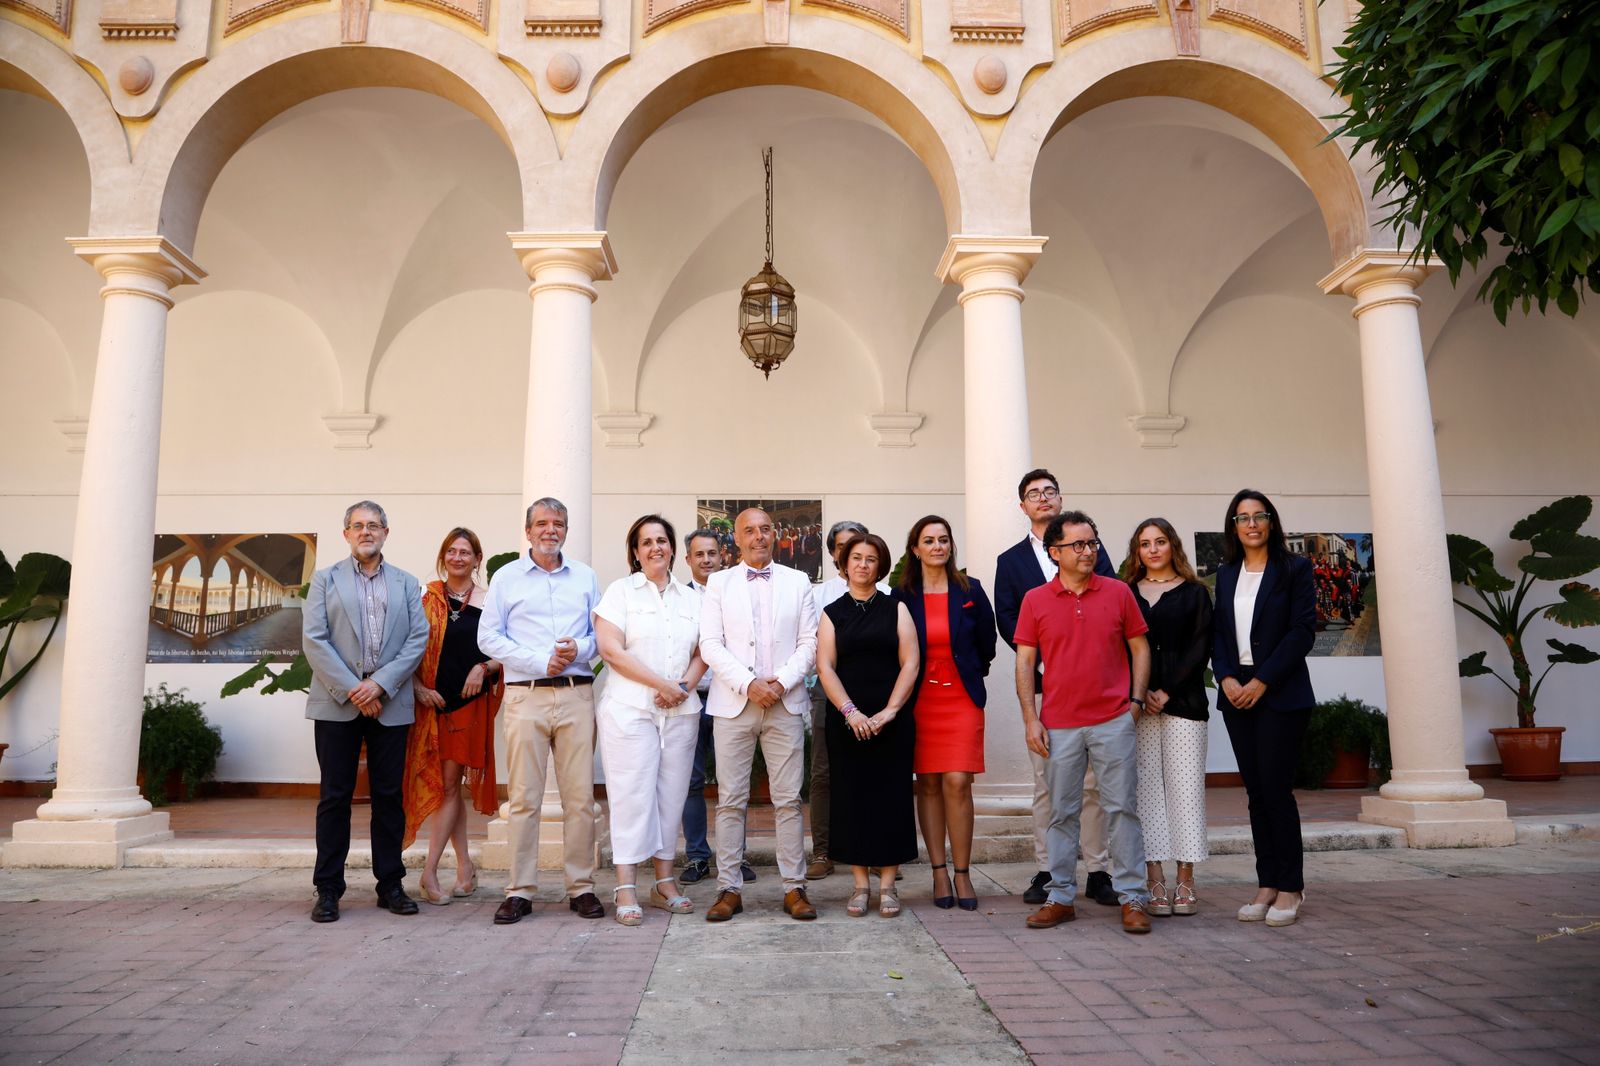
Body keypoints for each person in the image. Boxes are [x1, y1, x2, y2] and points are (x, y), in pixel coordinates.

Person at [1014, 511, 1153, 935]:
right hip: (1058, 724)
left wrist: (1135, 702)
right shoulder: (1035, 599)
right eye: (1078, 545)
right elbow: (1024, 663)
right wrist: (1030, 719)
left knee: (1122, 810)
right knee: (1061, 813)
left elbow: (1140, 649)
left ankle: (1132, 899)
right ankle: (1060, 897)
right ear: (1054, 552)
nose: (1088, 551)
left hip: (1113, 719)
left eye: (1092, 543)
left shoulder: (1118, 593)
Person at [993, 468, 1119, 908]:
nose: (1043, 499)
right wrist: (1046, 657)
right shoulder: (1010, 562)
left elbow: (1111, 606)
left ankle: (1099, 870)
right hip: (1046, 686)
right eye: (1034, 494)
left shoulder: (1091, 550)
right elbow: (1008, 620)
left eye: (1050, 492)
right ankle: (1048, 868)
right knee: (1046, 783)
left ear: (1060, 499)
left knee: (1092, 785)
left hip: (1094, 687)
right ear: (1023, 506)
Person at [478, 498, 605, 925]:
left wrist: (579, 649)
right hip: (525, 696)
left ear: (565, 530)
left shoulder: (585, 576)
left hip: (575, 694)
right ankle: (520, 890)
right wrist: (537, 660)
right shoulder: (506, 577)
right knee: (524, 798)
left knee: (579, 799)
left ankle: (581, 887)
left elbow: (602, 636)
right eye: (542, 523)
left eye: (558, 523)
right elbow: (488, 637)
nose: (551, 530)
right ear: (528, 531)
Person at [302, 500, 430, 923]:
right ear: (346, 534)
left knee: (390, 797)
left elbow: (417, 639)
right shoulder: (325, 581)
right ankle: (328, 889)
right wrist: (356, 689)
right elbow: (315, 640)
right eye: (357, 526)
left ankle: (390, 884)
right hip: (338, 702)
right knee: (334, 797)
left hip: (389, 702)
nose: (366, 532)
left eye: (373, 525)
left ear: (386, 533)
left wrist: (380, 684)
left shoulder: (407, 583)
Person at [699, 507, 821, 922]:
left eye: (765, 529)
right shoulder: (718, 582)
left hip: (784, 702)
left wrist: (781, 682)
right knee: (731, 800)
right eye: (749, 531)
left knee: (788, 800)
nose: (759, 537)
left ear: (775, 534)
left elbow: (809, 642)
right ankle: (728, 889)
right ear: (736, 538)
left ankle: (794, 887)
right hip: (734, 704)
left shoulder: (799, 581)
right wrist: (748, 683)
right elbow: (710, 644)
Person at [594, 515, 708, 925]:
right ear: (636, 552)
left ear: (673, 549)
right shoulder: (620, 593)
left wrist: (682, 687)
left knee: (672, 797)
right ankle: (625, 885)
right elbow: (611, 650)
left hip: (681, 711)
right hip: (630, 711)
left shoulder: (693, 598)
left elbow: (704, 649)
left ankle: (663, 882)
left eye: (662, 540)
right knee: (630, 796)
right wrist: (663, 683)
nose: (656, 547)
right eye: (647, 542)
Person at [1213, 489, 1317, 928]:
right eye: (1242, 517)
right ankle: (1266, 883)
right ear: (1233, 527)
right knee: (1256, 794)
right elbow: (1218, 633)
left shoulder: (1295, 568)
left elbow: (1302, 631)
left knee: (1276, 791)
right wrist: (1228, 678)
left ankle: (1291, 886)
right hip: (1238, 695)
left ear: (1272, 522)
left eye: (1259, 516)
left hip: (1279, 693)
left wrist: (1262, 680)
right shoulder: (1225, 573)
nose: (1251, 524)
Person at [818, 532, 921, 917]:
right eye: (856, 557)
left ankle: (889, 886)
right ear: (844, 565)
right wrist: (851, 712)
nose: (863, 564)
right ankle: (861, 886)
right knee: (852, 799)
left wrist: (891, 711)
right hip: (848, 720)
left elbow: (910, 662)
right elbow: (825, 666)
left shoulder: (897, 608)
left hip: (891, 720)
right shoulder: (831, 613)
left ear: (881, 566)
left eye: (871, 558)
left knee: (890, 799)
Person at [897, 515, 995, 912]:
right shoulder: (901, 596)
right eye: (929, 540)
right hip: (920, 699)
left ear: (951, 546)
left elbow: (987, 644)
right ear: (915, 548)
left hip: (961, 697)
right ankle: (938, 870)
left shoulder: (971, 590)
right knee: (929, 783)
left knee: (958, 780)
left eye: (944, 540)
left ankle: (962, 872)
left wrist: (966, 671)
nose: (937, 546)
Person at [403, 527, 503, 906]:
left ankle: (429, 872)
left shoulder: (490, 601)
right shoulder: (425, 599)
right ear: (443, 557)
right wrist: (417, 687)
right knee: (449, 788)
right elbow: (407, 647)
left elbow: (508, 649)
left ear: (478, 559)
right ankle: (464, 867)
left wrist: (484, 668)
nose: (458, 557)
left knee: (448, 785)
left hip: (469, 705)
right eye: (452, 551)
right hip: (431, 704)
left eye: (466, 552)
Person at [1122, 518, 1213, 917]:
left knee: (1186, 791)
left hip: (1184, 703)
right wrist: (1140, 695)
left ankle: (1186, 880)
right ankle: (1154, 878)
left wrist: (1166, 690)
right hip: (1136, 708)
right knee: (1145, 794)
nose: (1153, 549)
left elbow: (1201, 647)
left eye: (1160, 542)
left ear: (1173, 546)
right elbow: (1118, 649)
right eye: (1145, 543)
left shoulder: (1195, 593)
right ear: (1136, 551)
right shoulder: (1124, 593)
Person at [679, 529, 754, 886]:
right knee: (692, 781)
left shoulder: (738, 591)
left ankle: (735, 858)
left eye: (712, 553)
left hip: (733, 699)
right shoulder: (678, 598)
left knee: (733, 783)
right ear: (688, 560)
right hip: (693, 700)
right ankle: (697, 857)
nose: (706, 559)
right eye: (699, 554)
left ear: (723, 555)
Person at [805, 518, 870, 881]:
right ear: (833, 555)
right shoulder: (819, 595)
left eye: (860, 547)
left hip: (873, 691)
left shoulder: (888, 596)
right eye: (844, 547)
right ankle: (823, 851)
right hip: (826, 692)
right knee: (823, 773)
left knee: (870, 771)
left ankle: (873, 850)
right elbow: (813, 649)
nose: (854, 555)